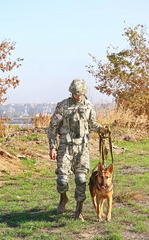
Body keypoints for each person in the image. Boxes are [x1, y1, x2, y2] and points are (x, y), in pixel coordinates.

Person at [47, 78, 104, 220]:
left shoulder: (89, 106)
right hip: (65, 148)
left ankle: (79, 210)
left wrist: (101, 129)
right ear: (72, 93)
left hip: (82, 148)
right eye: (76, 94)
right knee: (62, 180)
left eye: (81, 94)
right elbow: (53, 127)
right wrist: (52, 147)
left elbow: (92, 124)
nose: (79, 96)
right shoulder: (63, 106)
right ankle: (63, 198)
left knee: (81, 179)